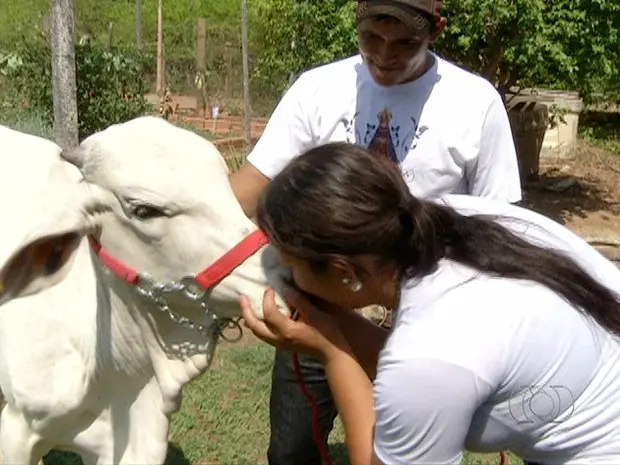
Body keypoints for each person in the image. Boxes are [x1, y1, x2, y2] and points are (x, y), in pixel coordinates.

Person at [229, 0, 523, 462]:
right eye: (371, 38)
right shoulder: (318, 89)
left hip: (421, 315)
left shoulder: (475, 103)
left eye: (406, 42)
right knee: (292, 447)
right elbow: (249, 188)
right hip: (320, 297)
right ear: (357, 21)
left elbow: (497, 227)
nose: (385, 55)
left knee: (408, 443)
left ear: (437, 30)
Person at [240, 141, 620, 465]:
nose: (285, 275)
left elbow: (427, 367)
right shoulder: (458, 218)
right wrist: (333, 325)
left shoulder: (429, 353)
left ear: (344, 272)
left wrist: (332, 352)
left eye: (290, 266)